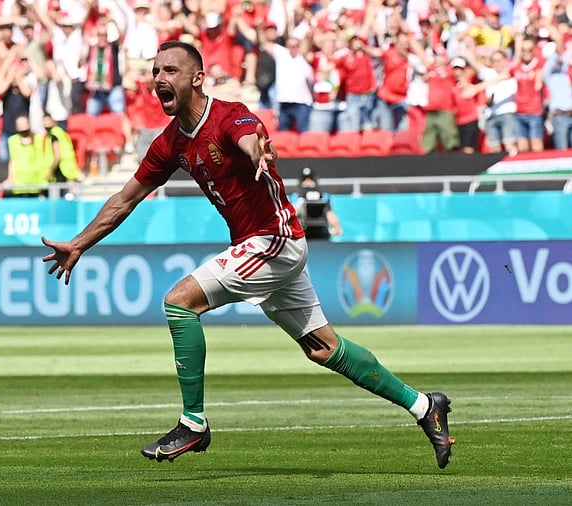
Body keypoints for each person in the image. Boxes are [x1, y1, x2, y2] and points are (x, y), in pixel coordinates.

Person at [41, 41, 453, 469]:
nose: (160, 79)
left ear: (196, 78)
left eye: (171, 71)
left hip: (274, 239)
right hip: (260, 246)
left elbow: (248, 137)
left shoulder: (227, 115)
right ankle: (425, 406)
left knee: (179, 303)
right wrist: (79, 243)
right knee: (324, 349)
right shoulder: (170, 143)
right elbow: (126, 199)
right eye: (156, 71)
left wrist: (258, 150)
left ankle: (194, 422)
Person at [293, 167, 342, 240]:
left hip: (320, 232)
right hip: (305, 232)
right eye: (305, 179)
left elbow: (329, 213)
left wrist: (336, 227)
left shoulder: (323, 195)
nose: (307, 182)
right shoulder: (297, 195)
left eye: (310, 179)